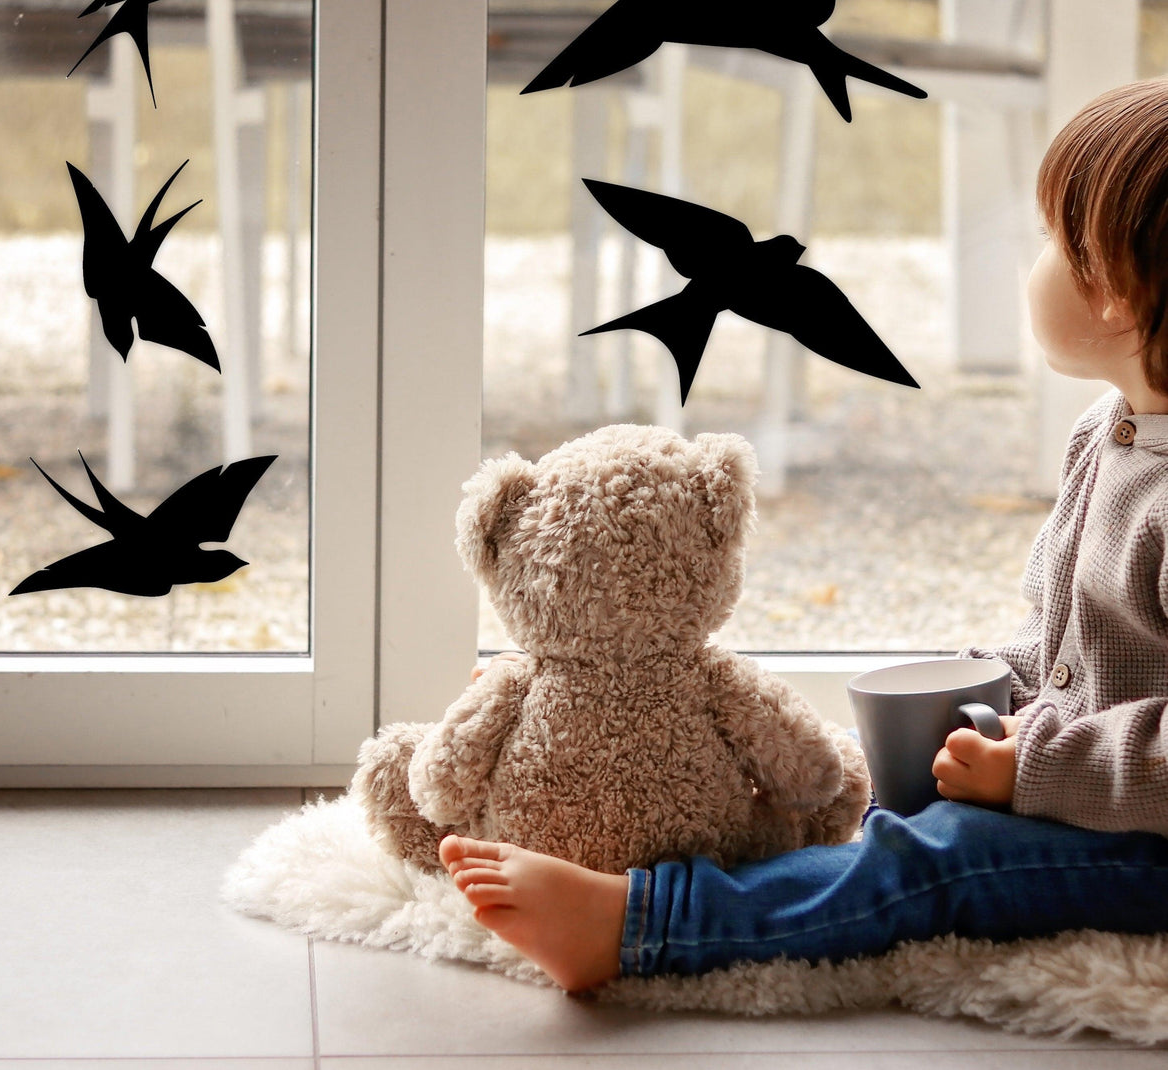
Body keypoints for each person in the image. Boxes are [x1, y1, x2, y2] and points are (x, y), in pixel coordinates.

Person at [439, 79, 1168, 993]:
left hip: (1149, 840)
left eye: (1056, 241)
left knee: (945, 858)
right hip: (1086, 785)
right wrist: (989, 689)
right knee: (899, 798)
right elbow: (1067, 637)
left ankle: (642, 922)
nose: (1036, 261)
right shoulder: (1109, 432)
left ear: (1121, 291)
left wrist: (1039, 768)